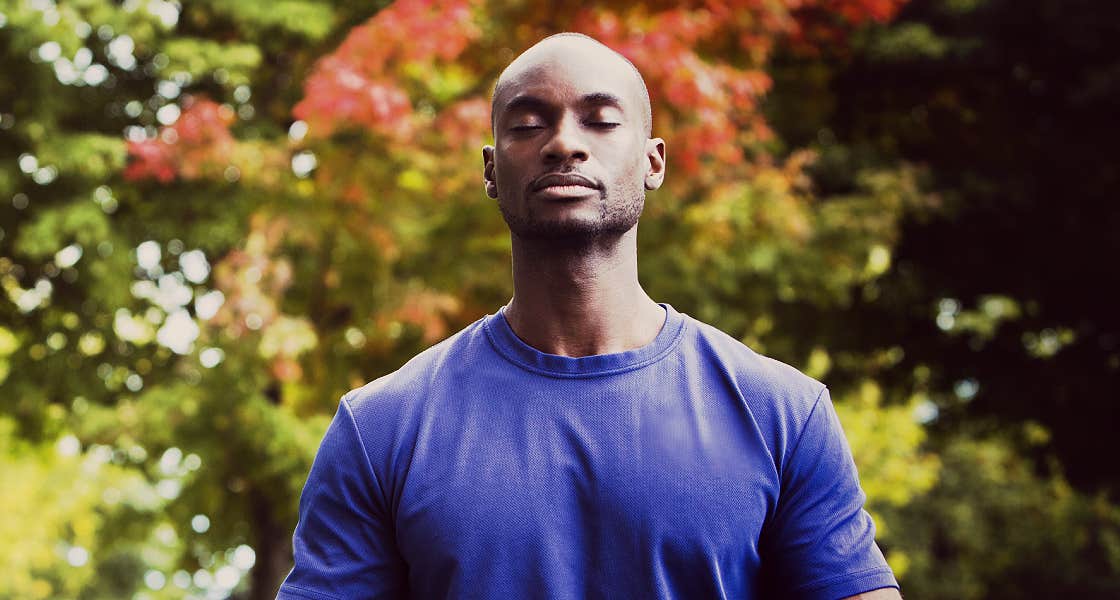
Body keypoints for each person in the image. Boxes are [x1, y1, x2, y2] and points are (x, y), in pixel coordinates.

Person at [278, 32, 901, 600]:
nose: (564, 144)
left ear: (653, 161)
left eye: (601, 121)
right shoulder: (381, 429)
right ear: (492, 171)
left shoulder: (783, 414)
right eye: (528, 125)